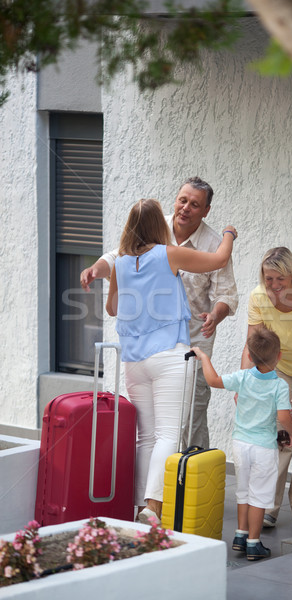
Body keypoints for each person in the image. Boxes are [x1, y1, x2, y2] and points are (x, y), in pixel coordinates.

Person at [105, 198, 237, 525]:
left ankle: (139, 508)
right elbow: (219, 259)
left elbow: (112, 309)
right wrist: (230, 233)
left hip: (134, 362)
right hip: (168, 357)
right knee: (168, 434)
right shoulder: (168, 254)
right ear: (158, 226)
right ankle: (153, 507)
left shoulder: (120, 263)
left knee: (146, 437)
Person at [81, 176, 238, 448]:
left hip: (192, 343)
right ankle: (157, 486)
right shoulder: (154, 226)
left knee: (191, 415)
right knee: (153, 427)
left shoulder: (212, 242)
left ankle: (189, 483)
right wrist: (96, 269)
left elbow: (226, 294)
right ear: (175, 200)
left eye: (195, 204)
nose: (185, 208)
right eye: (182, 200)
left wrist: (216, 315)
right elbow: (117, 256)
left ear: (206, 211)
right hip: (152, 345)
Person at [191, 326, 292, 561]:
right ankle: (253, 543)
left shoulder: (243, 377)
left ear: (248, 356)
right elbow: (283, 417)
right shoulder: (279, 386)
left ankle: (240, 535)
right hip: (263, 448)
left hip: (240, 445)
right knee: (259, 496)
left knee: (243, 491)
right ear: (279, 356)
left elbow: (213, 380)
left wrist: (204, 357)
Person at [240, 247, 292, 529]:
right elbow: (252, 345)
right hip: (281, 367)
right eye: (268, 279)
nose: (273, 286)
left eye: (279, 280)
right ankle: (267, 506)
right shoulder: (258, 296)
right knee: (278, 435)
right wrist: (245, 381)